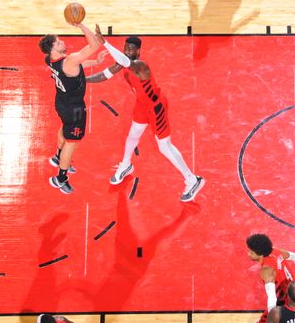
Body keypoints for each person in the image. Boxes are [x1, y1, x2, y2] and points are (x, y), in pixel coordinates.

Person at [84, 26, 206, 202]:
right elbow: (104, 75)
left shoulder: (140, 66)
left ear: (138, 51)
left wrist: (105, 43)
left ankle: (192, 180)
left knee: (165, 146)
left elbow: (126, 63)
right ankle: (126, 165)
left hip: (156, 108)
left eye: (131, 49)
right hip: (142, 106)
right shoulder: (123, 62)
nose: (128, 51)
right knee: (132, 136)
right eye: (126, 48)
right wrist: (81, 79)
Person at [38, 23, 107, 194]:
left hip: (61, 102)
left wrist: (95, 62)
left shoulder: (50, 59)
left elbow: (76, 66)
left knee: (65, 128)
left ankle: (57, 156)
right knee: (73, 141)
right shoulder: (69, 60)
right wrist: (81, 24)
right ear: (53, 49)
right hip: (74, 108)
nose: (62, 43)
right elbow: (95, 45)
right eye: (58, 42)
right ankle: (60, 178)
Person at [246, 233, 295, 323]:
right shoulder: (276, 251)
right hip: (293, 297)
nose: (248, 254)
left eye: (251, 252)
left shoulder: (266, 270)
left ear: (261, 255)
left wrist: (273, 321)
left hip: (282, 304)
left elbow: (272, 298)